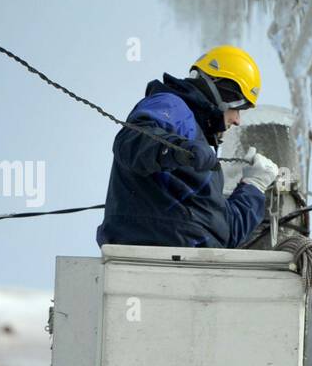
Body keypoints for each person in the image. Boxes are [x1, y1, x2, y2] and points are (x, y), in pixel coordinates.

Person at [96, 45, 279, 249]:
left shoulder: (204, 157)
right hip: (152, 254)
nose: (237, 120)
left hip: (198, 265)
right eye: (240, 107)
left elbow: (224, 231)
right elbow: (133, 141)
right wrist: (177, 149)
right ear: (225, 93)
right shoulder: (173, 107)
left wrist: (254, 185)